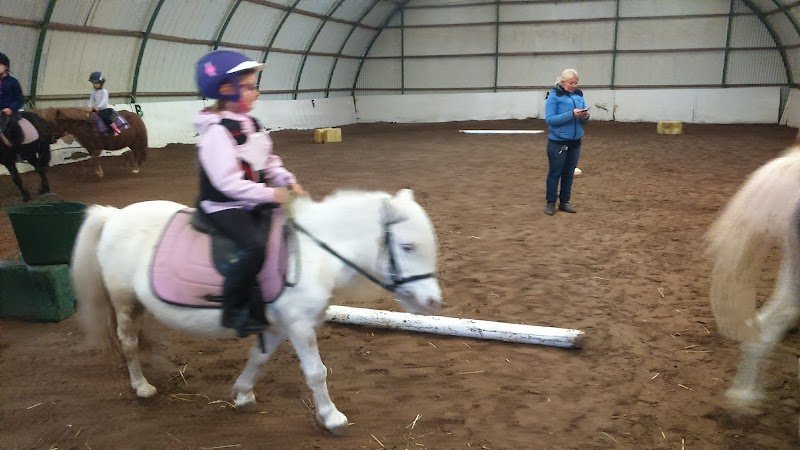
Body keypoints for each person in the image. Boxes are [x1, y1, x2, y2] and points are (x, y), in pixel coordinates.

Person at [194, 49, 306, 337]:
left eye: (255, 86)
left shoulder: (252, 124)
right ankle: (235, 309)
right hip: (224, 206)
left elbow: (268, 161)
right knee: (254, 246)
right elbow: (227, 183)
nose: (256, 93)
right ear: (226, 90)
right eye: (249, 87)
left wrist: (287, 180)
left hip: (252, 199)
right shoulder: (216, 132)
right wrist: (272, 195)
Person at [543, 68, 589, 215]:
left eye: (576, 83)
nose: (574, 85)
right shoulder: (554, 96)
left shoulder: (579, 95)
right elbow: (550, 120)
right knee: (555, 173)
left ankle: (565, 202)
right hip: (558, 142)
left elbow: (583, 120)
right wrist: (571, 115)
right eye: (571, 83)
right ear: (563, 82)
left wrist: (585, 117)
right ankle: (550, 202)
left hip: (575, 142)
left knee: (569, 174)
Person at [0, 52, 25, 147]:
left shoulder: (13, 82)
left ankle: (17, 149)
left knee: (13, 127)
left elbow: (20, 99)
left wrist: (10, 109)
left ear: (6, 67)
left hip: (10, 113)